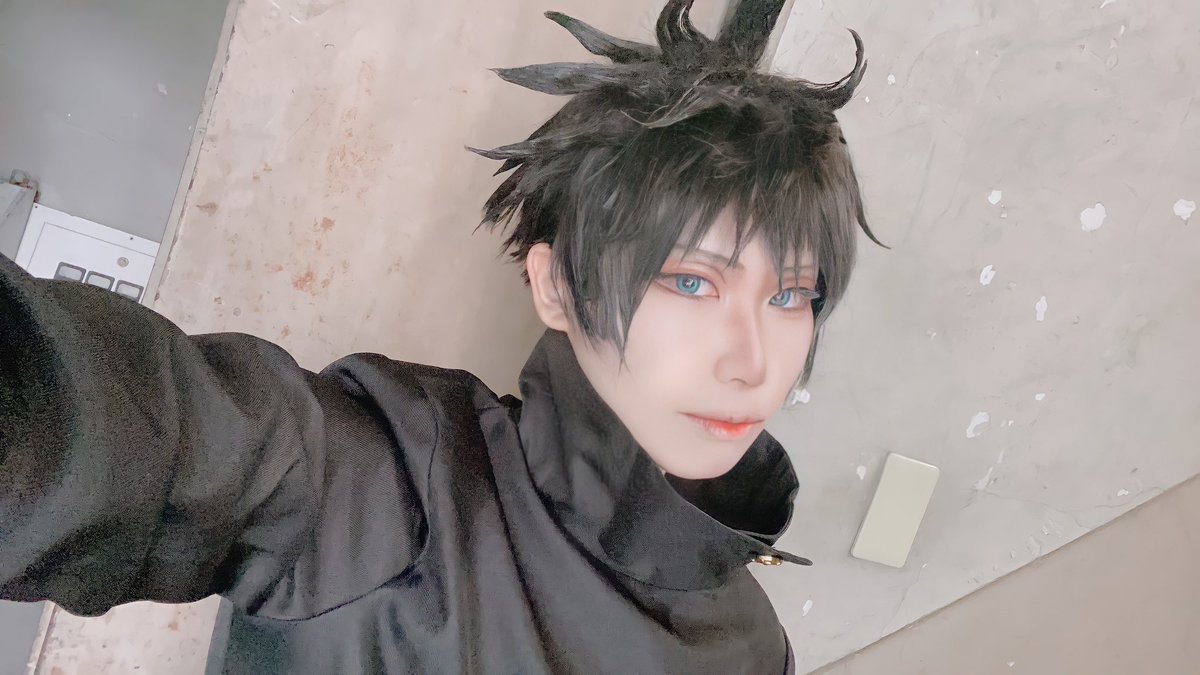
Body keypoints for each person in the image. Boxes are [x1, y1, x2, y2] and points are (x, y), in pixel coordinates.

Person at [0, 0, 881, 672]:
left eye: (791, 294)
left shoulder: (756, 644)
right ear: (554, 285)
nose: (753, 361)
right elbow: (105, 428)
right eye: (691, 281)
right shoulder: (387, 486)